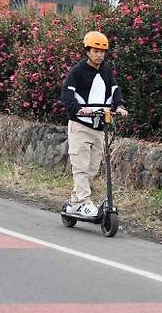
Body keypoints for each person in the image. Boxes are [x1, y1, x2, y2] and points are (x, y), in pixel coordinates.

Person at [61, 31, 128, 217]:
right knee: (80, 166)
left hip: (99, 126)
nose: (99, 55)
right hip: (80, 125)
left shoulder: (106, 71)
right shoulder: (77, 72)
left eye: (102, 51)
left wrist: (119, 106)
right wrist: (78, 109)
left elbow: (114, 90)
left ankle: (74, 203)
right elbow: (67, 93)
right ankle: (83, 202)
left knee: (93, 168)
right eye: (96, 50)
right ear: (87, 51)